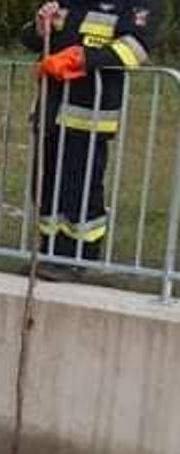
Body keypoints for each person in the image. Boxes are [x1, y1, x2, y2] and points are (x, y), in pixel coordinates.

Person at [24, 0, 157, 279]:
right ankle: (49, 253)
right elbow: (30, 38)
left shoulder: (135, 4)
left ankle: (79, 258)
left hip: (90, 113)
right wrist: (40, 27)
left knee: (80, 188)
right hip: (51, 110)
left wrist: (84, 59)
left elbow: (137, 48)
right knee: (45, 185)